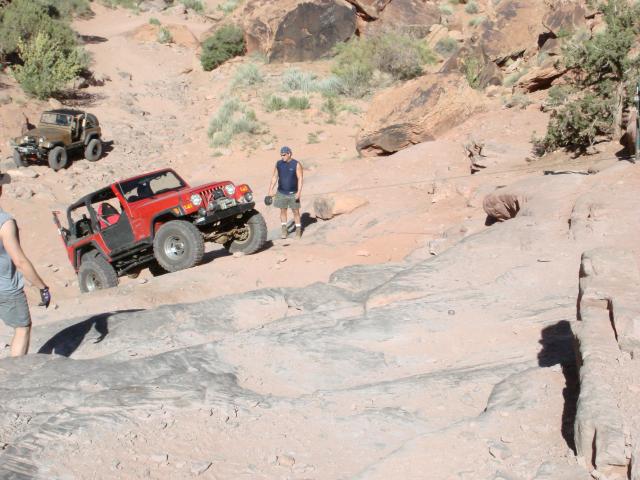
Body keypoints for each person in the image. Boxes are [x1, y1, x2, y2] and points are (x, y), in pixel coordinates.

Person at [0, 171, 50, 357]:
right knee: (22, 328)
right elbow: (20, 261)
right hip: (6, 288)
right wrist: (42, 287)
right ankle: (15, 371)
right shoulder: (5, 223)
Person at [268, 146, 304, 239]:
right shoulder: (279, 164)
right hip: (281, 192)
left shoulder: (296, 164)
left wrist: (299, 192)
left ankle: (298, 231)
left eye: (284, 155)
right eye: (281, 155)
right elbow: (274, 177)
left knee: (296, 212)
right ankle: (284, 230)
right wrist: (270, 190)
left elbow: (300, 178)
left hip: (293, 193)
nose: (282, 157)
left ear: (289, 154)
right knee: (283, 210)